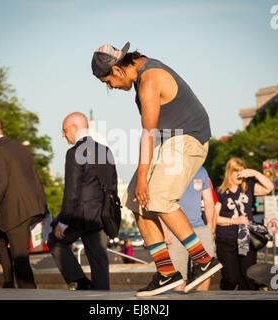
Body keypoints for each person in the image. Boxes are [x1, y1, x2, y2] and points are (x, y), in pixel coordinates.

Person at [91, 42, 222, 296]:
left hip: (188, 139)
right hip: (170, 141)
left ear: (118, 70)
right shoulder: (139, 69)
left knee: (160, 198)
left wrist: (142, 176)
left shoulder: (149, 79)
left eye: (108, 82)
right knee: (136, 201)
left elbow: (148, 134)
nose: (110, 87)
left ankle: (203, 260)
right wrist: (139, 183)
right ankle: (166, 272)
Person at [47, 112, 117, 290]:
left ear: (74, 127)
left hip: (79, 216)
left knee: (54, 241)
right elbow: (112, 185)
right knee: (99, 259)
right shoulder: (105, 150)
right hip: (101, 215)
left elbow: (71, 190)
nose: (63, 135)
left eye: (64, 130)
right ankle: (103, 299)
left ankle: (81, 282)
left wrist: (63, 221)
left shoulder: (74, 153)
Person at [0, 115, 47, 289]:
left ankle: (29, 293)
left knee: (20, 259)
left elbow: (2, 183)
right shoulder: (21, 149)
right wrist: (43, 209)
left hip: (17, 211)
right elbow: (35, 179)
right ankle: (8, 282)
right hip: (31, 208)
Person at [215, 158, 274, 290]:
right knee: (231, 278)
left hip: (246, 240)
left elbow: (269, 187)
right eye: (236, 171)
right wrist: (234, 221)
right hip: (226, 240)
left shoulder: (249, 187)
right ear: (229, 172)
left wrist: (254, 173)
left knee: (248, 279)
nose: (239, 174)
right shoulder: (219, 192)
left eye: (242, 171)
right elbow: (215, 218)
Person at [160, 167, 218, 291]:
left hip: (200, 229)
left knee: (205, 274)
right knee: (178, 276)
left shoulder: (201, 170)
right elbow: (158, 201)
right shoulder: (167, 169)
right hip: (174, 230)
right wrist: (165, 230)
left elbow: (209, 202)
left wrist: (210, 229)